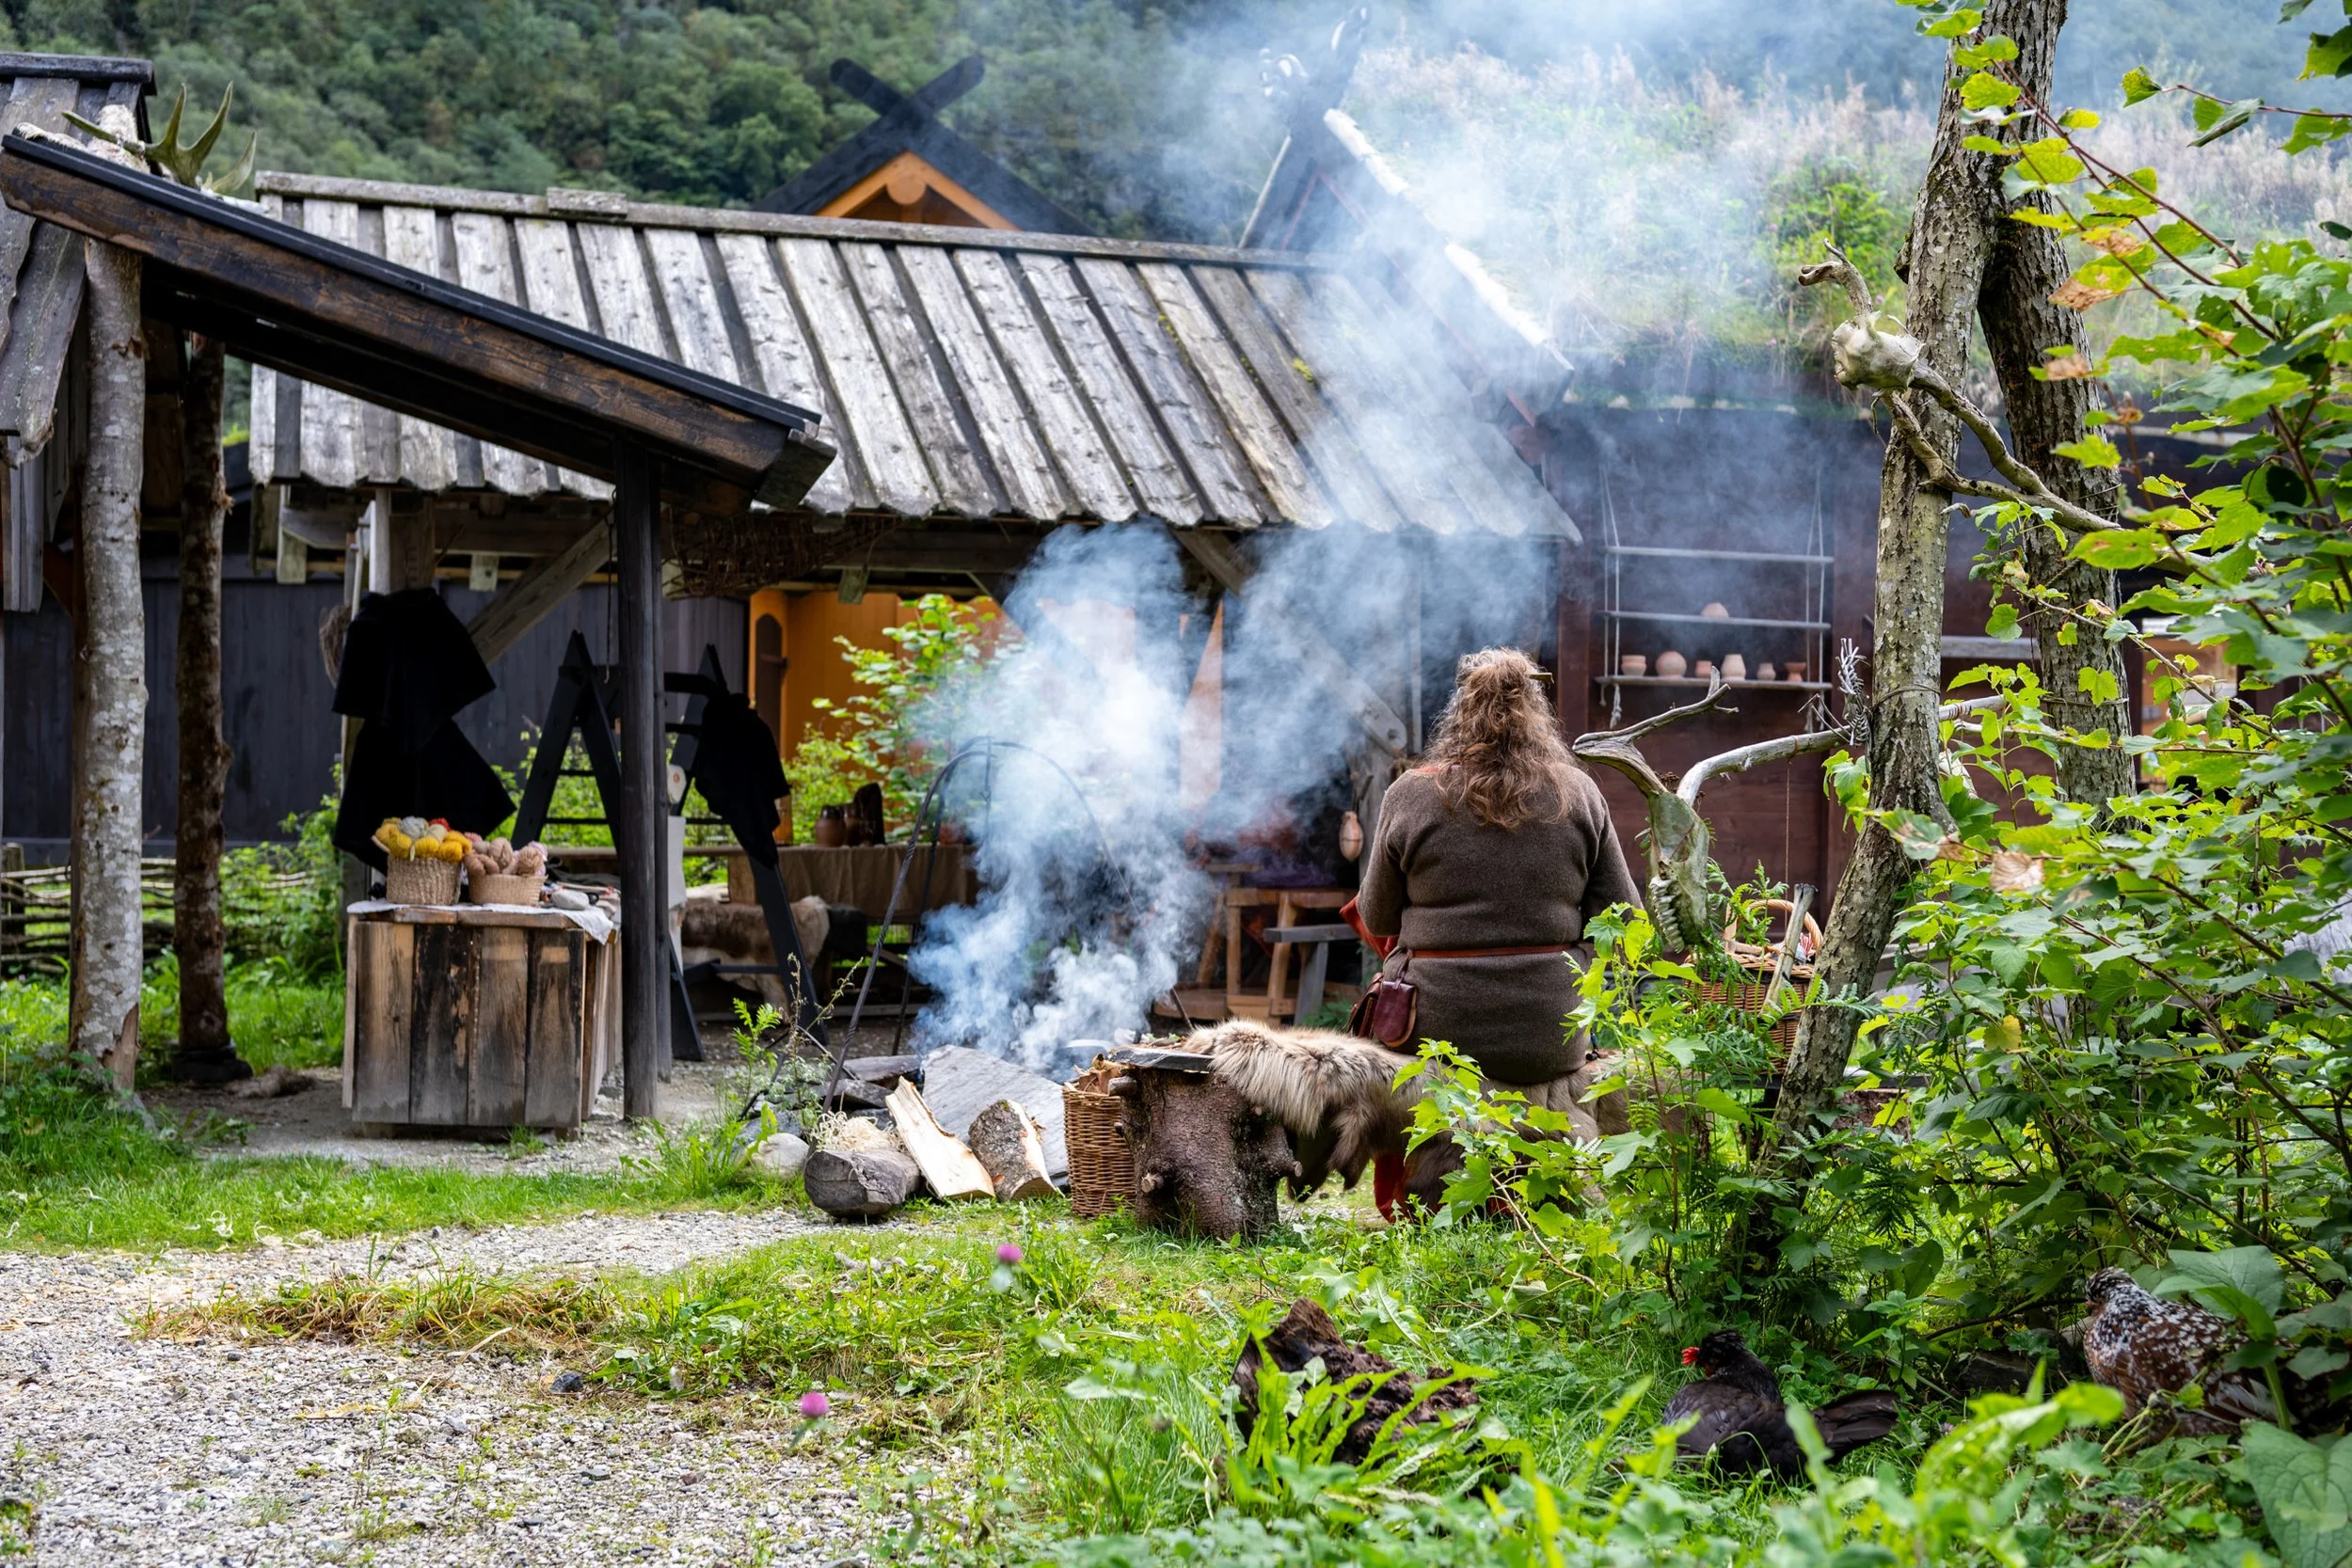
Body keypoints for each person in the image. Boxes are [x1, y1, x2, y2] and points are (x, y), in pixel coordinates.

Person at [1355, 648, 1643, 1203]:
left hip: (1439, 1038)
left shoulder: (1410, 794)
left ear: (1459, 711)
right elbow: (1624, 918)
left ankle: (1432, 1185)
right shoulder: (1578, 793)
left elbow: (1376, 917)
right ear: (1539, 712)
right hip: (1550, 1037)